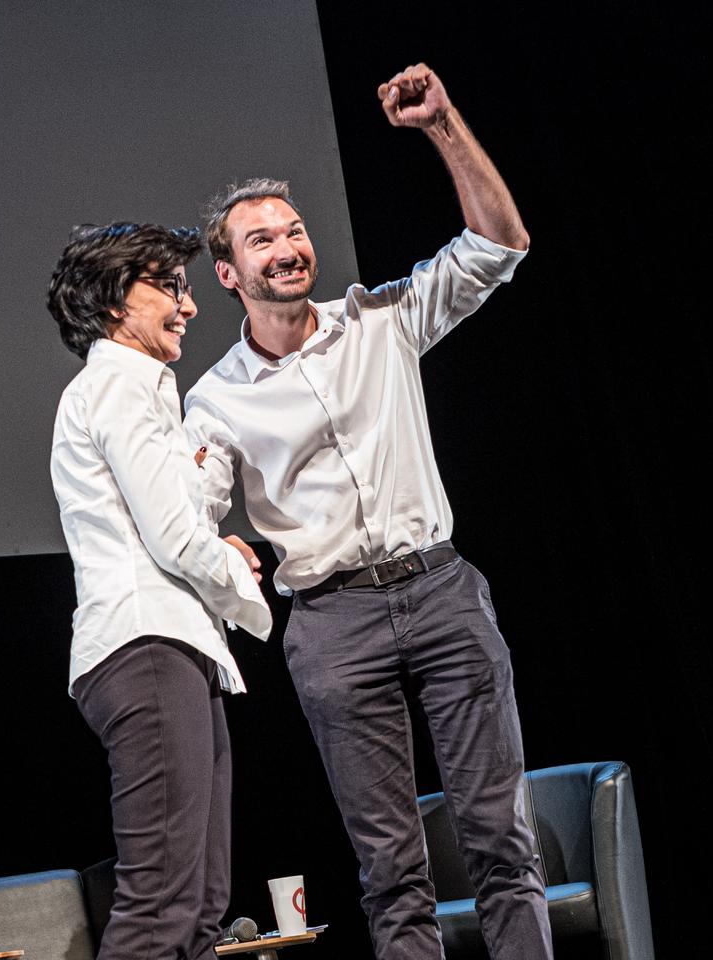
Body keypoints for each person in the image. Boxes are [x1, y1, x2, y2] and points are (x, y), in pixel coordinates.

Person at [183, 65, 549, 958]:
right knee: (392, 870)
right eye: (261, 240)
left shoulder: (378, 318)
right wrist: (216, 543)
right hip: (333, 622)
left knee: (501, 837)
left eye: (296, 230)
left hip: (439, 591)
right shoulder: (216, 399)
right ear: (230, 273)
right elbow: (187, 513)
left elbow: (501, 245)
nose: (287, 248)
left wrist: (444, 125)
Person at [46, 222, 272, 960]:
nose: (190, 305)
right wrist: (241, 581)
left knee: (199, 907)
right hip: (147, 646)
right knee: (160, 908)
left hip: (177, 644)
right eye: (170, 286)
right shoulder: (116, 384)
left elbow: (175, 519)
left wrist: (218, 540)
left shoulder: (142, 392)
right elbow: (174, 540)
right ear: (115, 302)